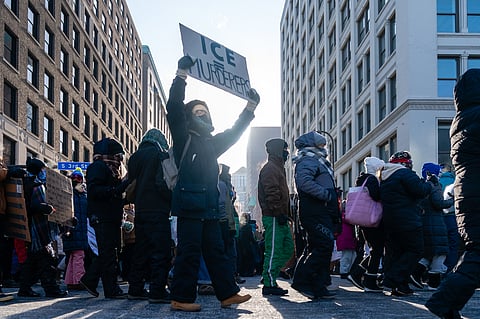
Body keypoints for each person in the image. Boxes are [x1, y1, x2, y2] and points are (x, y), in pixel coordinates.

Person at [166, 56, 258, 312]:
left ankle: (228, 294)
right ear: (188, 117)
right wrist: (181, 75)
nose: (202, 114)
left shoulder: (212, 142)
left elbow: (234, 132)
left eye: (204, 111)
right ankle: (181, 297)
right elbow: (174, 106)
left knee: (216, 252)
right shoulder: (183, 136)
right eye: (197, 112)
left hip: (207, 207)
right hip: (188, 205)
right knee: (189, 252)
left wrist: (249, 108)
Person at [426, 69, 480, 319]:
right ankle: (443, 301)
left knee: (474, 253)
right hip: (476, 193)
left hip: (469, 193)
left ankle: (444, 301)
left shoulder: (462, 119)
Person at [291, 131, 341, 299]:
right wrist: (326, 195)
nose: (323, 148)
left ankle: (317, 286)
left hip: (319, 210)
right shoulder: (308, 160)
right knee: (323, 245)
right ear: (312, 145)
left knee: (316, 246)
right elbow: (304, 182)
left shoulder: (315, 160)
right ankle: (303, 282)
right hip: (314, 210)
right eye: (320, 145)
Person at [126, 128, 173, 303]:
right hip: (158, 210)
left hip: (140, 210)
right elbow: (162, 183)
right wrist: (171, 199)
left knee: (140, 250)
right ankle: (157, 291)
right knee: (160, 252)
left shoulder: (134, 157)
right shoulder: (159, 155)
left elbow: (131, 184)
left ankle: (135, 289)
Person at [80, 138, 129, 299]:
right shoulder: (98, 167)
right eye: (118, 155)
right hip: (102, 216)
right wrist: (119, 188)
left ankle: (90, 281)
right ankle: (111, 289)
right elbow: (95, 191)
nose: (120, 159)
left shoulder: (109, 169)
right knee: (108, 253)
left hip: (109, 217)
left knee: (109, 253)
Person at [379, 151, 433, 296]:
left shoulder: (384, 176)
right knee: (416, 250)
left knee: (396, 252)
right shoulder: (405, 174)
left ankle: (400, 286)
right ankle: (393, 279)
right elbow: (420, 191)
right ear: (406, 163)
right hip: (407, 219)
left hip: (390, 219)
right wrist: (430, 183)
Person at [17, 158, 67, 298]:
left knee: (33, 260)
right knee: (47, 259)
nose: (44, 173)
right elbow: (30, 207)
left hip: (32, 227)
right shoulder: (34, 185)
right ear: (39, 171)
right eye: (43, 170)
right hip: (38, 228)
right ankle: (52, 290)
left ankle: (24, 288)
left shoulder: (26, 183)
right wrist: (43, 208)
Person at [257, 138, 294, 296]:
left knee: (287, 248)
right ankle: (269, 282)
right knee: (274, 250)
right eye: (284, 149)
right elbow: (272, 193)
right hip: (273, 216)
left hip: (280, 216)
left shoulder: (277, 168)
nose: (287, 152)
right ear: (278, 150)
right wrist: (279, 213)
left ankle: (269, 275)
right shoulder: (271, 169)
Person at [409, 163, 453, 291]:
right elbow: (439, 203)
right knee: (440, 252)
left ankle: (416, 273)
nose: (440, 174)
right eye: (438, 172)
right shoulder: (434, 185)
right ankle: (433, 282)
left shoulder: (421, 186)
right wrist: (453, 201)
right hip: (436, 223)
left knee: (429, 253)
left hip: (425, 222)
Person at [347, 157, 385, 292]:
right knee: (377, 249)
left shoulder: (362, 179)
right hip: (371, 220)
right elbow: (376, 196)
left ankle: (358, 273)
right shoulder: (372, 180)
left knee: (374, 249)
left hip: (363, 219)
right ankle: (368, 279)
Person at [62, 168, 89, 291]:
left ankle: (71, 281)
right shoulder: (74, 195)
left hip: (77, 230)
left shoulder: (81, 195)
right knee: (78, 256)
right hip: (74, 229)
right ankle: (79, 280)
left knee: (74, 257)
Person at [438, 163, 459, 273]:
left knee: (442, 244)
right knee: (453, 244)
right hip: (454, 216)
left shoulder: (438, 182)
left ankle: (438, 268)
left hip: (440, 217)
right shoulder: (455, 181)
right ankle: (450, 269)